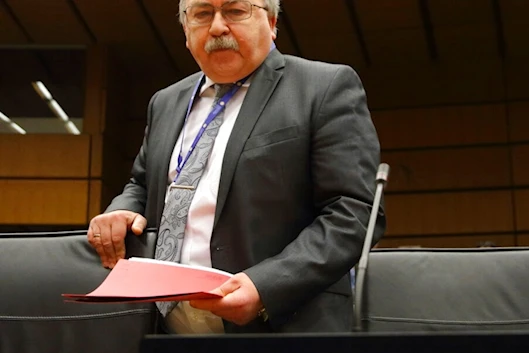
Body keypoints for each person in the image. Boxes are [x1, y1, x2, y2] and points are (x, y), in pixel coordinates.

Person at [87, 0, 385, 334]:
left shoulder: (324, 87)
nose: (217, 27)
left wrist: (264, 287)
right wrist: (122, 209)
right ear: (186, 31)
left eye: (235, 11)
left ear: (271, 22)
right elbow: (141, 184)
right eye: (202, 14)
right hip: (162, 326)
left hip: (281, 324)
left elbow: (354, 212)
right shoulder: (165, 102)